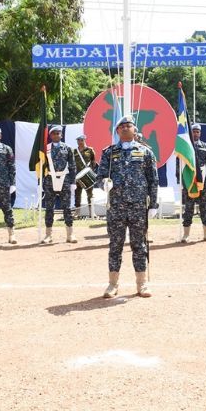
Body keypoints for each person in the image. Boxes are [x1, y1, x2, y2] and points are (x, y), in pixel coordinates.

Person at [97, 116, 158, 299]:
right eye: (121, 126)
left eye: (128, 125)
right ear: (116, 131)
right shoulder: (109, 152)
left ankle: (142, 284)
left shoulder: (146, 152)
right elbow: (100, 176)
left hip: (138, 206)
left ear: (135, 129)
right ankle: (112, 284)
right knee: (115, 245)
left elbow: (153, 180)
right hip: (116, 206)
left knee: (139, 244)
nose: (125, 128)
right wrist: (104, 183)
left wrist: (153, 204)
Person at [40, 125, 77, 244]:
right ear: (50, 135)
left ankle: (70, 234)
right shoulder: (46, 149)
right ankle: (48, 235)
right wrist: (39, 182)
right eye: (54, 133)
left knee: (67, 207)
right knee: (49, 208)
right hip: (49, 179)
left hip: (64, 179)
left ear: (61, 135)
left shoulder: (68, 148)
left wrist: (73, 182)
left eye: (58, 133)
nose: (56, 135)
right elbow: (41, 166)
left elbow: (72, 166)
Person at [181, 123, 206, 242]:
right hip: (189, 181)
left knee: (204, 207)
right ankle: (186, 235)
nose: (195, 133)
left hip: (203, 181)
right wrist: (179, 179)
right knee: (188, 207)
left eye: (197, 132)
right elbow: (179, 163)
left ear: (200, 133)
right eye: (194, 131)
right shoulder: (185, 147)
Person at [73, 135, 97, 218]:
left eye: (81, 140)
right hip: (77, 176)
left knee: (90, 194)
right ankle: (77, 212)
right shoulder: (74, 151)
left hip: (87, 175)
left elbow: (93, 162)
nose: (80, 142)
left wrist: (91, 172)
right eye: (78, 140)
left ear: (84, 140)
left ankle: (92, 212)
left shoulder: (90, 150)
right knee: (77, 194)